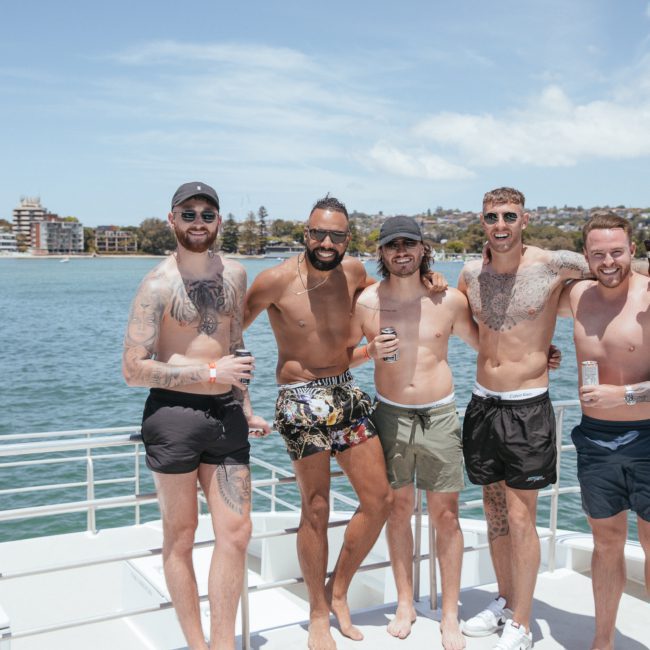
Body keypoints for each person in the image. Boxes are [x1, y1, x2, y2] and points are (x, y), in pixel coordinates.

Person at [244, 196, 445, 650]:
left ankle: (338, 592)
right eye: (319, 233)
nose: (327, 242)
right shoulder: (273, 280)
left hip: (346, 393)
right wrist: (237, 397)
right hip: (299, 400)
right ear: (305, 233)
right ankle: (317, 612)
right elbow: (230, 332)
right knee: (315, 507)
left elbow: (390, 295)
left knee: (380, 500)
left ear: (347, 238)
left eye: (336, 235)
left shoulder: (354, 273)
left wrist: (428, 278)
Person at [122, 181, 270, 650]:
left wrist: (244, 404)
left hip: (227, 415)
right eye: (189, 214)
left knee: (237, 532)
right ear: (172, 221)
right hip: (173, 416)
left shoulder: (238, 274)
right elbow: (133, 369)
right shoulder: (156, 285)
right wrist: (209, 371)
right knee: (181, 535)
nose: (198, 222)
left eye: (207, 214)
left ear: (219, 221)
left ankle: (223, 644)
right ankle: (196, 643)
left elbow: (235, 344)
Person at [458, 187, 593, 650]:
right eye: (492, 217)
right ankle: (503, 599)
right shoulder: (470, 272)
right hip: (481, 403)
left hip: (526, 407)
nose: (501, 225)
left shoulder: (554, 265)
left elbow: (614, 270)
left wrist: (544, 352)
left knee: (521, 517)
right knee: (494, 512)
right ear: (482, 221)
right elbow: (477, 329)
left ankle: (521, 621)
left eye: (509, 216)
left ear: (525, 219)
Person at [349, 216, 478, 650]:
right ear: (382, 254)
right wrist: (367, 352)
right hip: (391, 414)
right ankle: (405, 602)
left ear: (424, 249)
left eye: (409, 244)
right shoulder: (367, 301)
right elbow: (342, 356)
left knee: (447, 516)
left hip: (440, 414)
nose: (401, 251)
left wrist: (542, 352)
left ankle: (450, 614)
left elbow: (487, 348)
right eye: (392, 245)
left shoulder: (450, 299)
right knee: (398, 509)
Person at [559, 212, 650, 650]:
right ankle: (602, 642)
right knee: (606, 544)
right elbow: (524, 276)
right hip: (594, 441)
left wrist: (625, 396)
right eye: (598, 253)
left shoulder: (649, 295)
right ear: (586, 256)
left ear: (633, 250)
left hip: (648, 437)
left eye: (617, 251)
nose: (609, 261)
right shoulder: (577, 296)